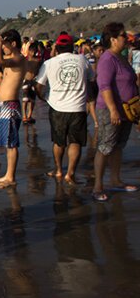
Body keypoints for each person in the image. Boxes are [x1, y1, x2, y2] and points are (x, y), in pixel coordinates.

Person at [35, 33, 93, 185]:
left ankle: (59, 170)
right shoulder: (83, 60)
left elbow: (39, 86)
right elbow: (92, 82)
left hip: (57, 107)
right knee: (75, 142)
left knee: (59, 142)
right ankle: (70, 174)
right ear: (72, 46)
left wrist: (45, 97)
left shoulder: (49, 63)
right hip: (78, 107)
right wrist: (90, 98)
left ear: (57, 47)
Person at [92, 22, 139, 202]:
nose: (126, 39)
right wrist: (113, 110)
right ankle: (97, 186)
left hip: (126, 109)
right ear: (113, 39)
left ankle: (116, 180)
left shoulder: (120, 57)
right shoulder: (107, 59)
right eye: (123, 36)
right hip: (110, 109)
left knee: (118, 146)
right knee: (105, 146)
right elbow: (104, 86)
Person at [0, 30, 26, 189]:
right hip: (4, 105)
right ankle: (8, 175)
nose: (2, 49)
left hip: (11, 105)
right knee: (8, 142)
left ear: (13, 44)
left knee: (12, 143)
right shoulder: (8, 58)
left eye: (5, 45)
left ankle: (11, 177)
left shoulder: (18, 58)